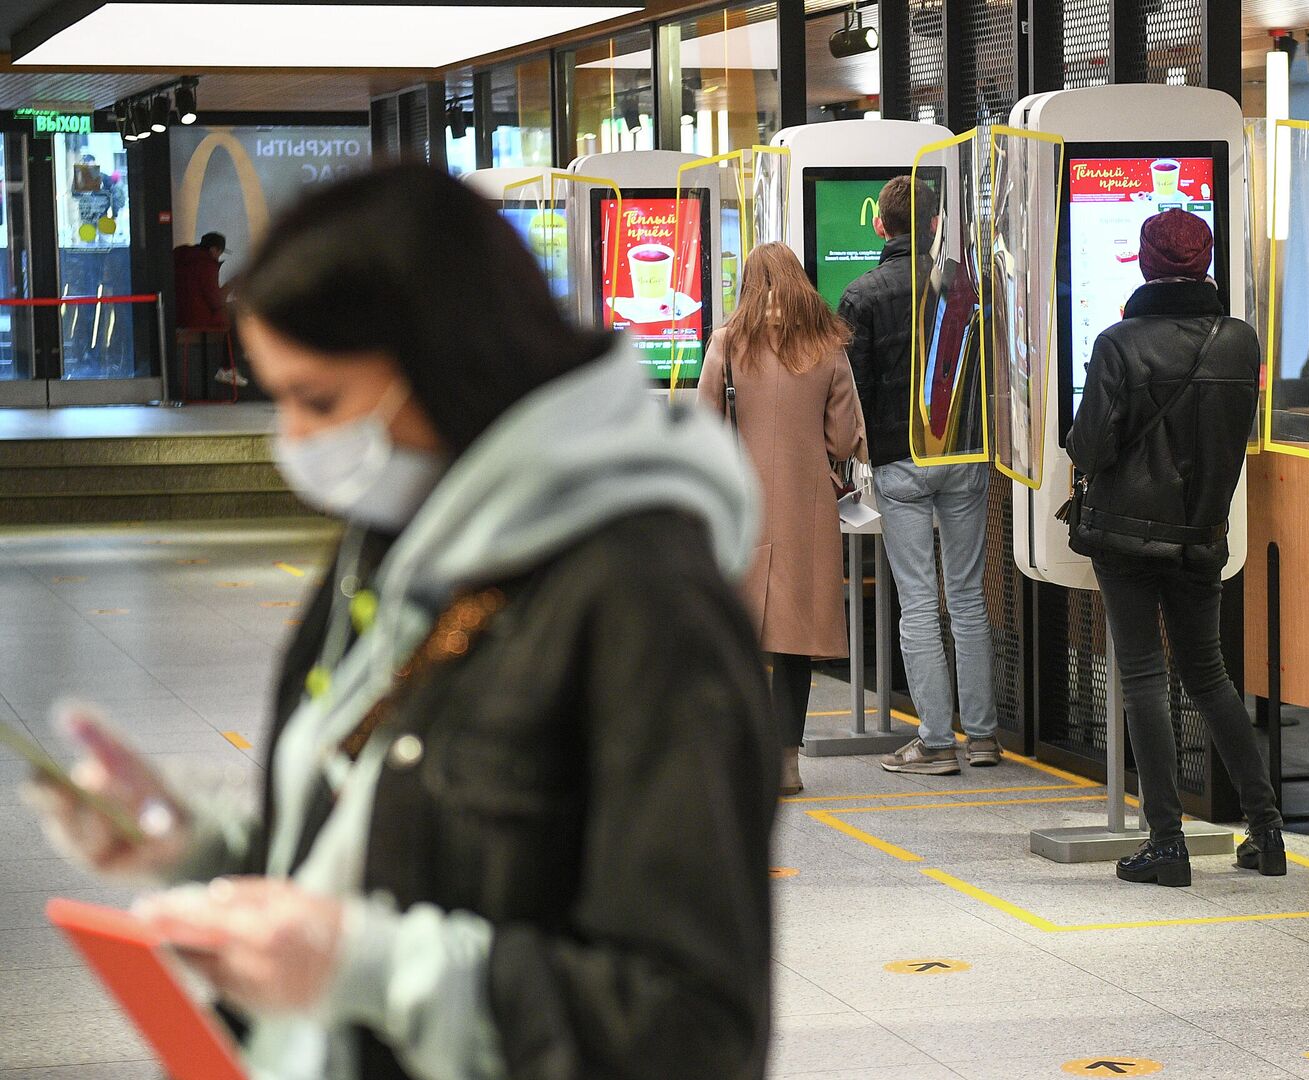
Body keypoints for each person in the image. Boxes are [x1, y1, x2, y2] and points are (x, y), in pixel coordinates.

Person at [20, 166, 778, 1080]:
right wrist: (191, 843)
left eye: (322, 401)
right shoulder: (394, 537)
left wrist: (374, 971)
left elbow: (691, 1027)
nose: (295, 441)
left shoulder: (643, 597)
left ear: (448, 359)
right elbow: (377, 849)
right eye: (278, 395)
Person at [1064, 208, 1287, 887]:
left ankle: (1167, 843)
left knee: (1141, 676)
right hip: (1201, 535)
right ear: (1206, 259)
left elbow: (1091, 445)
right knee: (1209, 674)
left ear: (1144, 263)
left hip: (1125, 536)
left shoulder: (1118, 343)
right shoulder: (1240, 343)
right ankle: (1267, 831)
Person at [839, 176, 1003, 775]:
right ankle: (983, 736)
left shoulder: (861, 294)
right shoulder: (964, 284)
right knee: (965, 596)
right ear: (936, 225)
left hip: (899, 460)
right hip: (963, 454)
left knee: (917, 603)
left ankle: (936, 741)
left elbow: (852, 391)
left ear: (881, 226)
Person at [699, 241, 866, 797]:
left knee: (739, 633)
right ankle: (787, 762)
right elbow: (845, 438)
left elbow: (704, 428)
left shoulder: (727, 342)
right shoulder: (827, 347)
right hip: (806, 506)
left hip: (738, 505)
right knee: (794, 639)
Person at [173, 231, 248, 390]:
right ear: (214, 250)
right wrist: (231, 285)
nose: (219, 257)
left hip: (180, 315)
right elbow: (215, 301)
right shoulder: (206, 264)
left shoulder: (182, 259)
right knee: (237, 315)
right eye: (220, 253)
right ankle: (228, 368)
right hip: (198, 317)